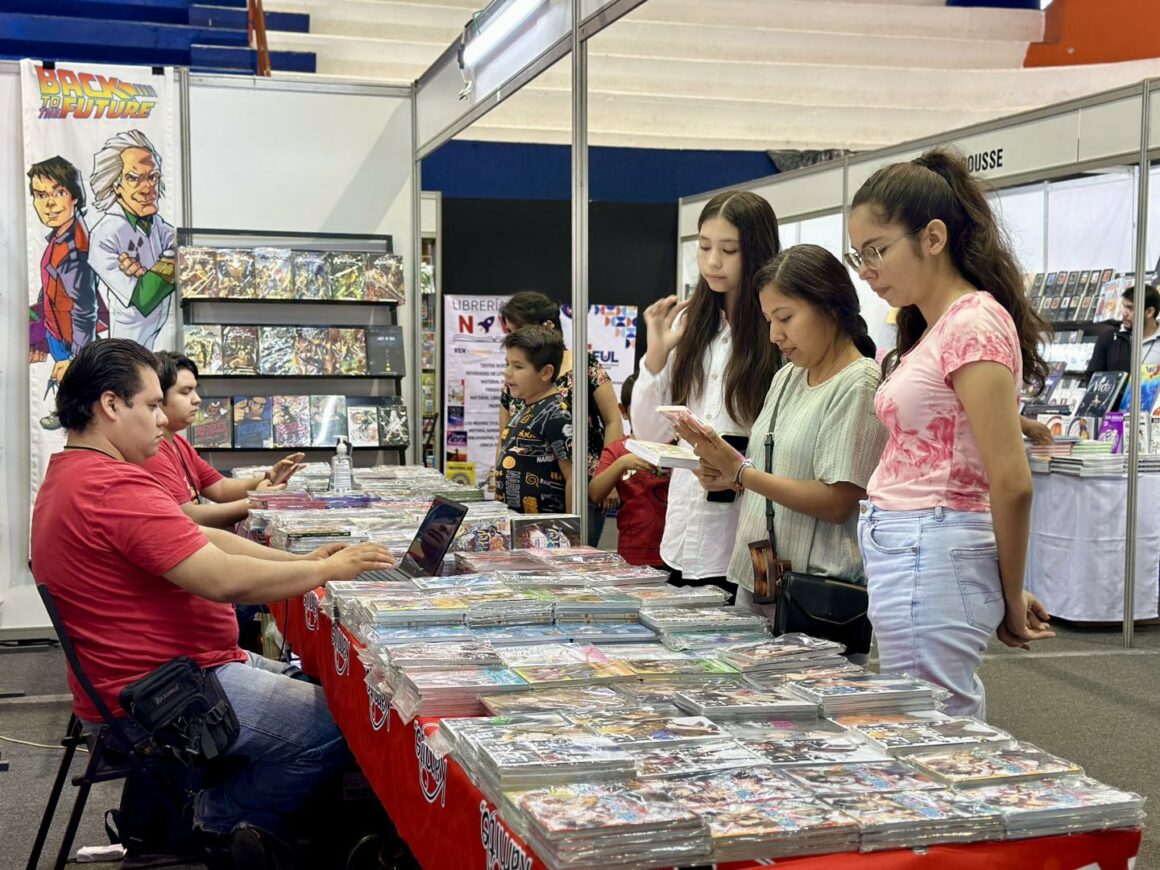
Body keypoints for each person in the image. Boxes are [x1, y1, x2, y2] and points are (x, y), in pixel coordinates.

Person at [30, 338, 395, 850]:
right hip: (163, 694)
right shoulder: (111, 488)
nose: (162, 420)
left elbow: (205, 538)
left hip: (169, 674)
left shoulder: (86, 475)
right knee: (346, 726)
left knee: (332, 687)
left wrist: (306, 562)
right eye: (153, 405)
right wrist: (326, 570)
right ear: (110, 405)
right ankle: (215, 815)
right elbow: (222, 577)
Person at [846, 148, 1055, 719]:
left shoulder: (971, 324)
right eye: (858, 255)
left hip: (932, 544)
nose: (866, 270)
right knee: (924, 720)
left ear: (933, 238)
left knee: (931, 727)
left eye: (876, 250)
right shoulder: (942, 326)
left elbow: (1011, 481)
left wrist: (1009, 594)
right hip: (922, 546)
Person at [675, 245, 887, 619]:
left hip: (815, 592)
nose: (775, 334)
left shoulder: (860, 383)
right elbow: (775, 472)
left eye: (785, 318)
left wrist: (741, 472)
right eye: (768, 320)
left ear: (831, 307)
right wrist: (730, 476)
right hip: (760, 575)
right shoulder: (788, 375)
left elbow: (838, 501)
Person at [631, 190, 782, 596]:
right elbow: (649, 431)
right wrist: (656, 356)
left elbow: (788, 447)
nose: (712, 261)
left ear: (756, 251)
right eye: (704, 247)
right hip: (683, 533)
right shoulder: (693, 329)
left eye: (728, 250)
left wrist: (737, 471)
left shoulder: (776, 334)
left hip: (746, 540)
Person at [497, 291, 623, 544]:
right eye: (509, 330)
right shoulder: (516, 381)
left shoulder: (583, 366)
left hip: (576, 487)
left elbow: (612, 419)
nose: (513, 336)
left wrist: (608, 477)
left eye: (518, 328)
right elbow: (505, 433)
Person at [142, 351, 304, 527]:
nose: (196, 399)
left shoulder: (179, 443)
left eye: (195, 390)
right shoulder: (153, 451)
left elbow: (219, 487)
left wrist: (269, 478)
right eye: (185, 392)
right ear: (158, 397)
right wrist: (257, 501)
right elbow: (188, 516)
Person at [27, 156, 102, 430]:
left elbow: (84, 309)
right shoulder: (61, 236)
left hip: (71, 338)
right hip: (57, 330)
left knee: (78, 395)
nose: (49, 203)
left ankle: (70, 410)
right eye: (40, 195)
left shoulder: (74, 247)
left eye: (59, 192)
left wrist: (76, 359)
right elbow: (51, 285)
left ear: (74, 197)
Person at [88, 130, 176, 348]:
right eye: (134, 178)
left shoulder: (162, 228)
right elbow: (144, 297)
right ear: (116, 186)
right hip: (127, 350)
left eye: (153, 177)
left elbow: (183, 255)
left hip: (164, 342)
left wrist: (151, 273)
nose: (148, 188)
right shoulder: (104, 235)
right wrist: (166, 267)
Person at [588, 373, 670, 567]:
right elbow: (595, 493)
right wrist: (621, 464)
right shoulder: (618, 450)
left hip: (674, 552)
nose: (651, 416)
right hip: (633, 552)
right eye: (642, 409)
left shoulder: (678, 449)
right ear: (624, 411)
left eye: (658, 409)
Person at [495, 326, 574, 514]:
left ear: (546, 372)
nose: (507, 372)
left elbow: (573, 478)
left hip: (545, 532)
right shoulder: (526, 407)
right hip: (519, 526)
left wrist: (572, 533)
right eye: (507, 363)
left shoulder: (556, 413)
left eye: (518, 366)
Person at [1086, 283, 1160, 373]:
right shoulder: (1109, 338)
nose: (1124, 313)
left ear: (1149, 312)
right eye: (1123, 306)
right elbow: (1092, 379)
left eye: (1130, 308)